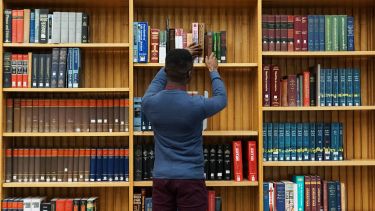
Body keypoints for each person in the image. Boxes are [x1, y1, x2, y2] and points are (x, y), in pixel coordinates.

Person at [141, 44, 227, 211]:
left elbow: (157, 82)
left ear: (166, 71)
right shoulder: (197, 104)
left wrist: (177, 59)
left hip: (162, 177)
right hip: (191, 178)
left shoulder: (149, 103)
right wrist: (213, 71)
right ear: (189, 75)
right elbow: (221, 99)